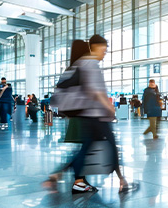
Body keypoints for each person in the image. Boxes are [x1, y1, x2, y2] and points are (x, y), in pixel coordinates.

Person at [52, 36, 129, 193]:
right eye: (103, 49)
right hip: (97, 115)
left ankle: (59, 174)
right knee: (111, 146)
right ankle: (122, 182)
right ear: (94, 47)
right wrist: (110, 108)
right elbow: (96, 91)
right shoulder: (91, 63)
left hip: (87, 115)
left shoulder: (80, 63)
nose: (104, 53)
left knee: (86, 148)